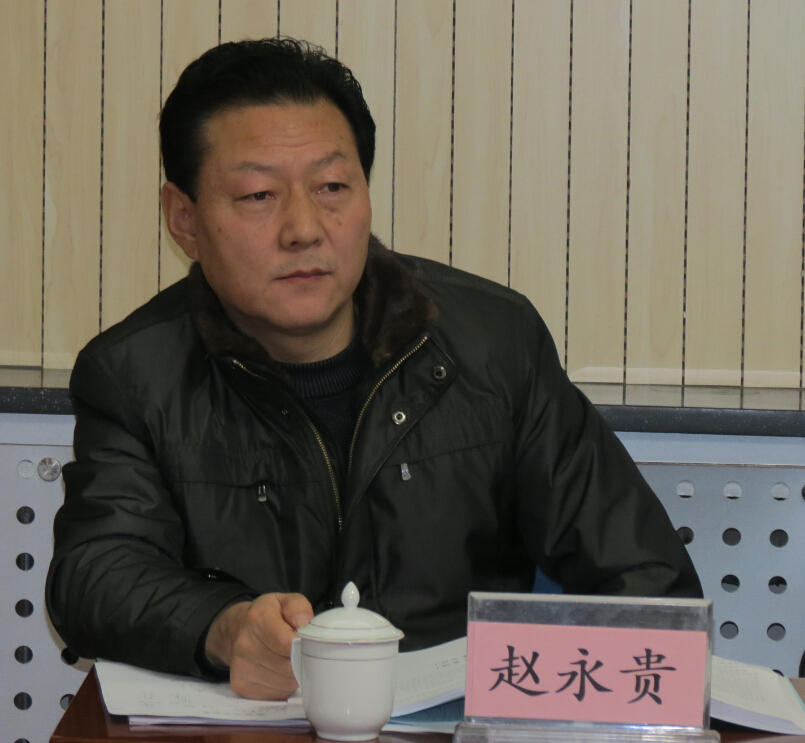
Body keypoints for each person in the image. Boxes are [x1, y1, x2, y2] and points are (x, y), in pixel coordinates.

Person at [46, 37, 701, 703]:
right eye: (258, 195)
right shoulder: (135, 374)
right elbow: (95, 576)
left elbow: (645, 578)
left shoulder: (492, 344)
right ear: (183, 220)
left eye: (332, 187)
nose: (304, 229)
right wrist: (224, 627)